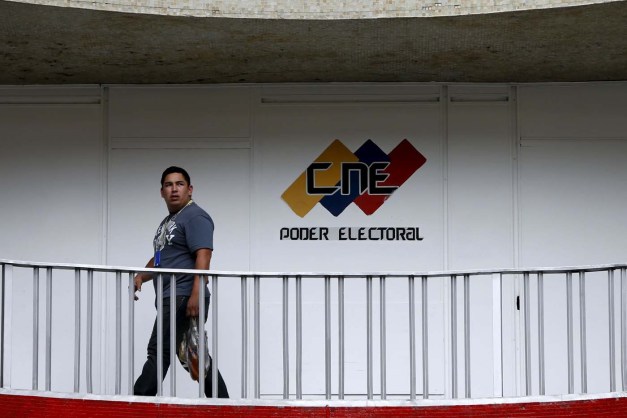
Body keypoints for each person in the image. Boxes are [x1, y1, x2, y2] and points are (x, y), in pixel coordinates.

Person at [133, 166, 229, 398]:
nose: (174, 189)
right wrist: (141, 277)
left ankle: (136, 401)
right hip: (172, 295)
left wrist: (196, 292)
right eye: (169, 185)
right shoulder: (168, 222)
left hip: (183, 293)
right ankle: (224, 403)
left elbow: (203, 254)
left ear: (190, 189)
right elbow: (160, 258)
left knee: (158, 351)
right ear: (162, 192)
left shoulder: (195, 216)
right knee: (192, 355)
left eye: (179, 184)